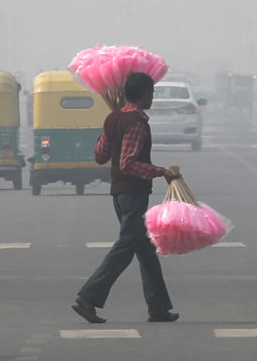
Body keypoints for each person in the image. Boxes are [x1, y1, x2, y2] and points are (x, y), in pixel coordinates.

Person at [72, 73, 180, 325]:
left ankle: (159, 308)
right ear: (142, 94)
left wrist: (110, 128)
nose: (152, 97)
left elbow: (100, 155)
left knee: (145, 250)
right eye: (151, 93)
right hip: (133, 193)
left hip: (120, 194)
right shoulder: (136, 123)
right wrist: (160, 171)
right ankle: (88, 297)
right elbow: (128, 163)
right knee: (125, 248)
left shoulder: (114, 118)